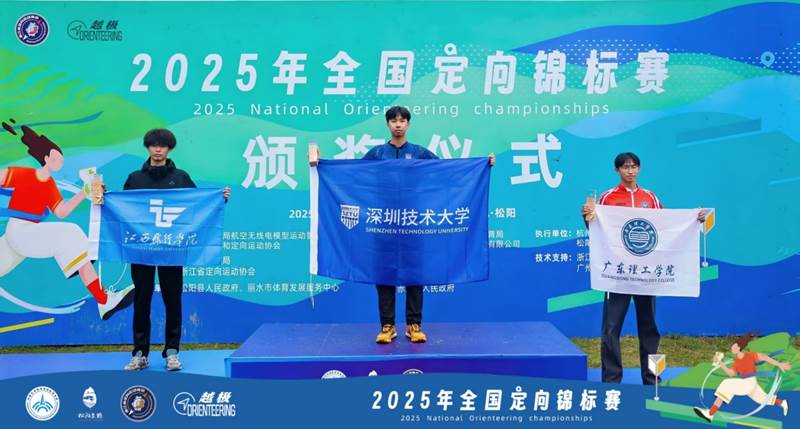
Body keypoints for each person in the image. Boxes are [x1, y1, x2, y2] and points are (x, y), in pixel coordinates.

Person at [310, 106, 494, 344]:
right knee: (383, 274)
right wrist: (321, 165)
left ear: (408, 124)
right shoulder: (377, 154)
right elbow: (354, 176)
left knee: (415, 275)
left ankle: (413, 325)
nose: (398, 124)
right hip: (383, 224)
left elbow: (447, 172)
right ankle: (387, 326)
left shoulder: (419, 153)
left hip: (413, 222)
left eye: (402, 120)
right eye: (394, 120)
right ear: (388, 124)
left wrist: (483, 165)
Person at [582, 152, 705, 384]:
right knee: (611, 329)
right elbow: (597, 231)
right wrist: (587, 217)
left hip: (646, 275)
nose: (630, 171)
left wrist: (693, 220)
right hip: (617, 274)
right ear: (617, 170)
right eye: (625, 167)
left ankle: (651, 378)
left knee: (650, 329)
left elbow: (666, 228)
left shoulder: (650, 197)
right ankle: (611, 380)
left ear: (639, 169)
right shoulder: (607, 198)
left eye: (634, 166)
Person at [116, 128, 230, 371]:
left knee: (173, 300)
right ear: (147, 148)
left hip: (172, 249)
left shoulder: (180, 178)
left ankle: (172, 352)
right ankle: (140, 353)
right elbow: (122, 209)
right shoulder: (135, 179)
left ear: (169, 149)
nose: (158, 149)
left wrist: (219, 198)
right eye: (153, 145)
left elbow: (199, 205)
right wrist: (103, 199)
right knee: (142, 300)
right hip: (142, 249)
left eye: (163, 145)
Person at [0, 120, 134, 320]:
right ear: (46, 158)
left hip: (26, 236)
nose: (60, 162)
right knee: (72, 234)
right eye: (56, 158)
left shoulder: (50, 186)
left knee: (75, 244)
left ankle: (103, 299)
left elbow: (61, 211)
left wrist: (84, 192)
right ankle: (104, 299)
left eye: (61, 159)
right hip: (20, 231)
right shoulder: (25, 174)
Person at [693, 333, 790, 422]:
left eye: (734, 346)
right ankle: (782, 402)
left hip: (750, 382)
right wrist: (720, 362)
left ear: (739, 348)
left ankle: (710, 413)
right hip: (747, 384)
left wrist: (779, 364)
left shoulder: (750, 355)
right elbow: (731, 373)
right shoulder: (736, 362)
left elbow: (765, 357)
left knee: (726, 384)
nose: (732, 348)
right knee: (763, 399)